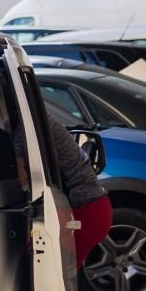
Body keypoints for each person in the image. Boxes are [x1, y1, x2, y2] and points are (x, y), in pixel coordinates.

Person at [43, 109, 112, 267]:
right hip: (94, 213)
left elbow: (23, 178)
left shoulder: (24, 128)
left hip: (85, 219)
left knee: (61, 266)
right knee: (67, 268)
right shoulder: (45, 122)